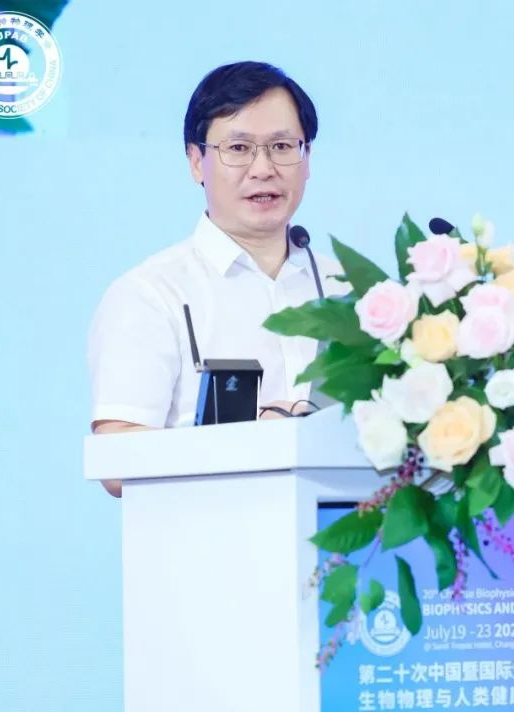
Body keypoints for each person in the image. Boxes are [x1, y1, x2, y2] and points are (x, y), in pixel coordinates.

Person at [87, 62, 344, 498]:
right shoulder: (151, 293)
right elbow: (116, 458)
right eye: (239, 148)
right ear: (196, 161)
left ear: (307, 159)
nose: (263, 168)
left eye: (283, 146)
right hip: (206, 535)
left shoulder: (345, 290)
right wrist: (252, 443)